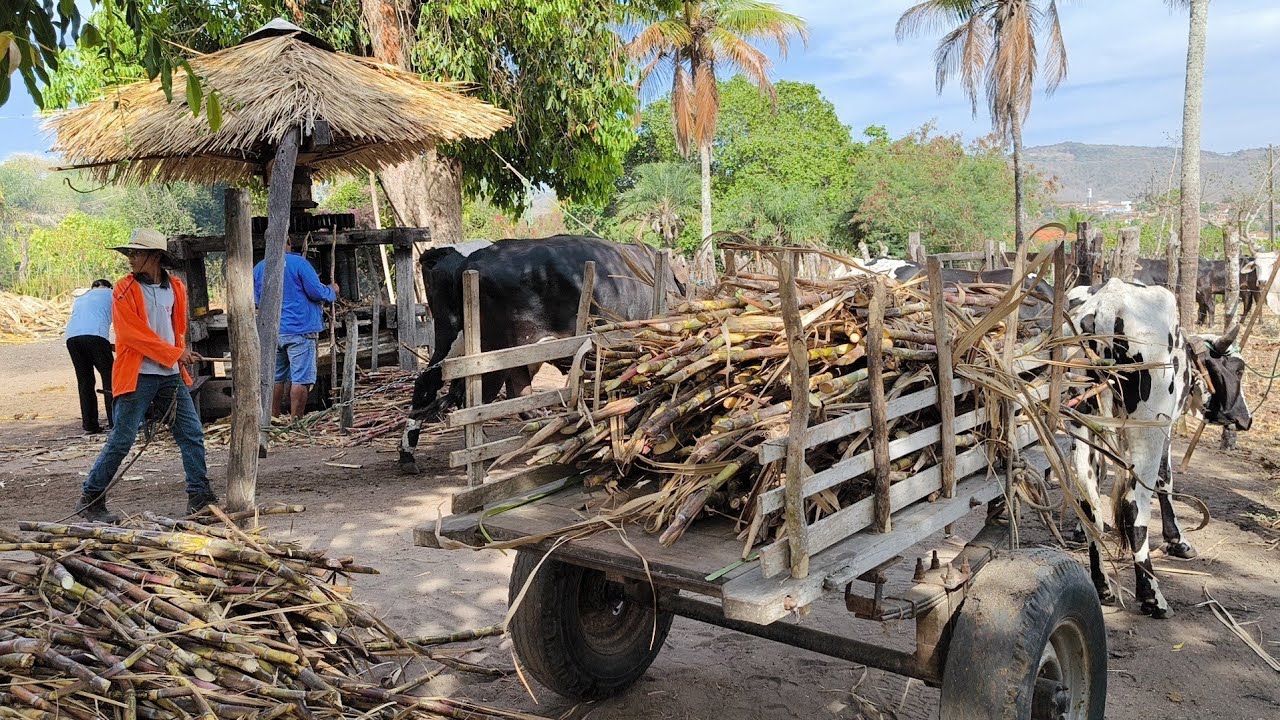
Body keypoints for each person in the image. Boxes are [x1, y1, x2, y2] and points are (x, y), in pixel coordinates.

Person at [76, 228, 218, 523]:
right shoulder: (123, 289)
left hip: (169, 374)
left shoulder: (176, 287)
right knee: (122, 439)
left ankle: (199, 496)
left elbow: (176, 329)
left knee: (191, 433)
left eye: (135, 253)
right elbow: (131, 335)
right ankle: (91, 497)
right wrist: (174, 353)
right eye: (129, 252)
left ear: (154, 257)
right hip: (138, 374)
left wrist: (179, 352)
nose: (130, 258)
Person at [253, 234, 339, 419]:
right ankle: (295, 421)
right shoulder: (300, 264)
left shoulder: (259, 268)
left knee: (275, 377)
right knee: (301, 378)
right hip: (300, 330)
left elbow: (258, 300)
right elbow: (316, 292)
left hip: (274, 332)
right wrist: (332, 290)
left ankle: (272, 420)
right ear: (289, 243)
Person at [65, 278, 115, 433]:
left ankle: (89, 424)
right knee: (110, 378)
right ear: (109, 287)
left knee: (85, 381)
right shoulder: (112, 294)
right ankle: (115, 421)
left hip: (72, 338)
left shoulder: (81, 298)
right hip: (96, 336)